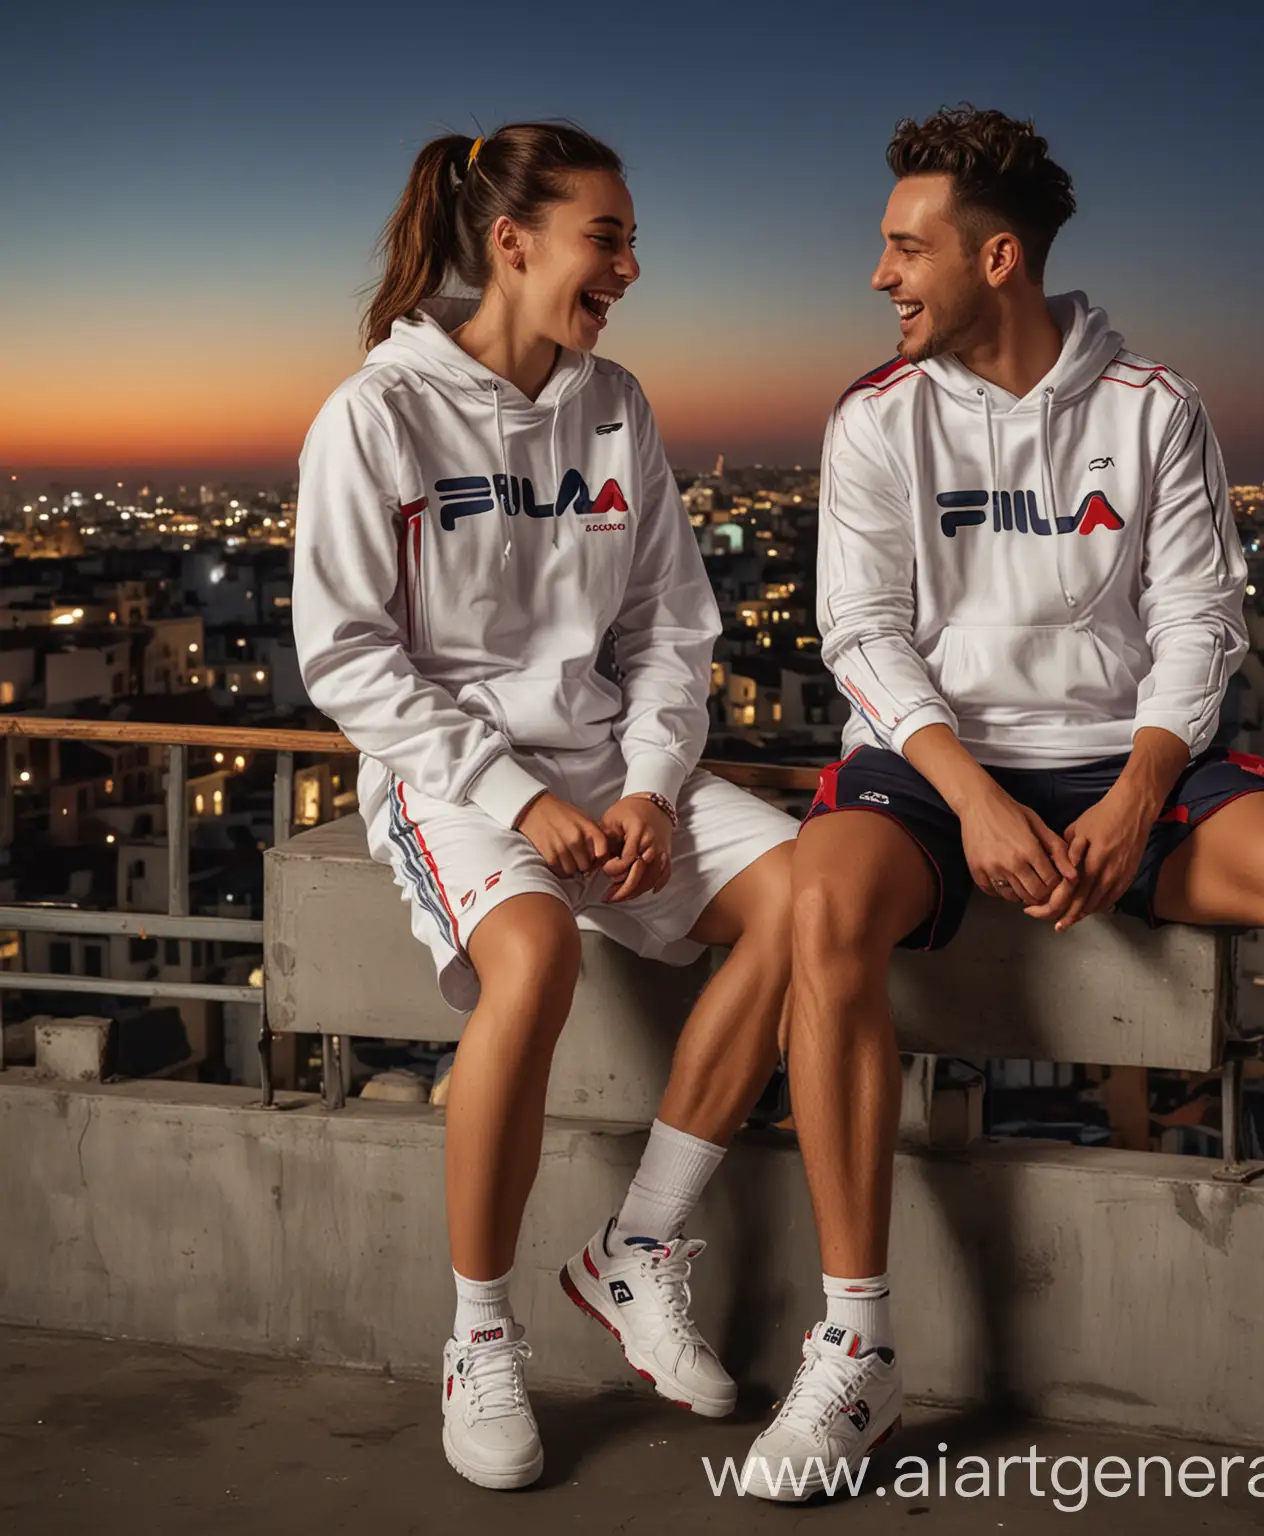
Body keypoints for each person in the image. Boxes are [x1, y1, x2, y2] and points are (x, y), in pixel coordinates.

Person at [743, 105, 1264, 1498]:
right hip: (934, 760)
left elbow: (1202, 622)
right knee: (824, 903)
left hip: (1122, 757)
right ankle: (854, 1346)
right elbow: (862, 633)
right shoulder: (874, 421)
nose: (879, 275)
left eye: (905, 249)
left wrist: (1144, 791)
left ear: (1002, 258)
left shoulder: (1156, 409)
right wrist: (971, 798)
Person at [293, 122, 798, 1492]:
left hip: (609, 767)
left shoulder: (616, 403)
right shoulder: (378, 414)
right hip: (452, 780)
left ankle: (635, 1254)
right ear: (512, 243)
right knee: (531, 965)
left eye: (631, 238)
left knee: (810, 901)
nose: (632, 264)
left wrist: (644, 787)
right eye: (608, 236)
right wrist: (517, 799)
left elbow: (670, 633)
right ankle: (480, 1333)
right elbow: (345, 654)